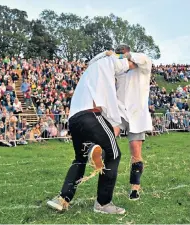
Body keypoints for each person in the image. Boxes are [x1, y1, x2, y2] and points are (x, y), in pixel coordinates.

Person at [47, 51, 136, 214]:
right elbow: (132, 64)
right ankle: (103, 203)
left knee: (79, 159)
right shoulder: (109, 61)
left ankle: (62, 199)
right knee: (114, 154)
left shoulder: (90, 70)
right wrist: (133, 60)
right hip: (91, 114)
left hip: (74, 118)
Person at [112, 44, 152, 200]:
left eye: (121, 54)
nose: (119, 57)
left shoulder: (143, 64)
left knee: (135, 150)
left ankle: (135, 188)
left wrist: (125, 57)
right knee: (109, 136)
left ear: (127, 52)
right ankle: (99, 163)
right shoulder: (120, 70)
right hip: (120, 110)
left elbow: (142, 59)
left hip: (137, 113)